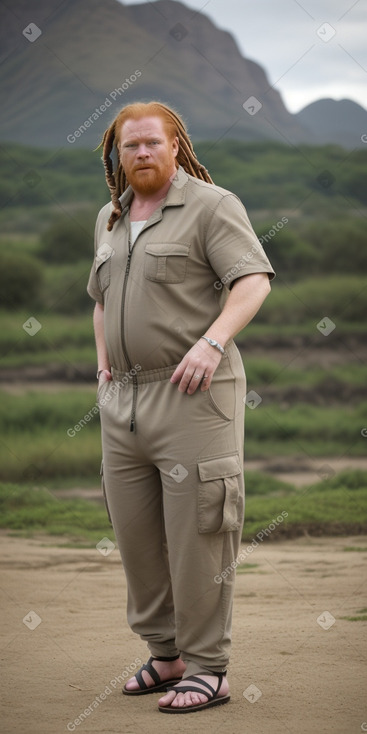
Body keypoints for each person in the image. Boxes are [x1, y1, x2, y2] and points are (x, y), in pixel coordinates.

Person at [87, 101, 275, 714]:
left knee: (200, 532)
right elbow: (99, 298)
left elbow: (252, 282)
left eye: (152, 143)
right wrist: (103, 365)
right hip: (124, 400)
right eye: (129, 145)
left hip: (194, 395)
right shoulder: (109, 218)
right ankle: (165, 654)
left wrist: (212, 341)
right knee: (135, 533)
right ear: (116, 154)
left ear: (176, 146)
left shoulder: (213, 207)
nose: (141, 153)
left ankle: (209, 669)